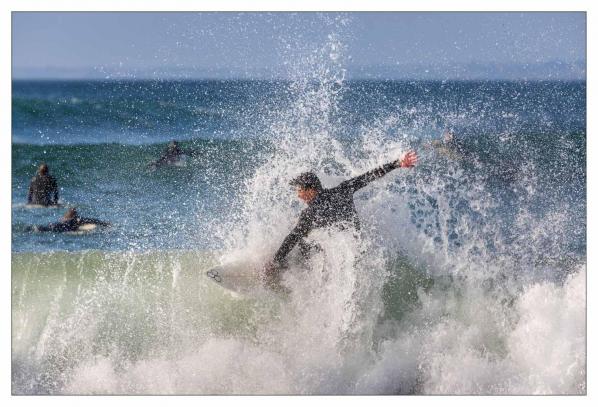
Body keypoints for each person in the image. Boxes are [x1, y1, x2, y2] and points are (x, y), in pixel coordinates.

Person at [263, 150, 418, 288]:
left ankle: (291, 274)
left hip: (337, 253)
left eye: (300, 190)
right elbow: (368, 176)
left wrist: (274, 262)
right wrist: (397, 163)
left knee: (303, 240)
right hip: (355, 246)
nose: (298, 194)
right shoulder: (343, 190)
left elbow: (292, 238)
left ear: (311, 190)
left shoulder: (308, 214)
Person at [31, 207, 110, 233]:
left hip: (52, 226)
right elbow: (92, 220)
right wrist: (104, 224)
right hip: (60, 229)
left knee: (41, 229)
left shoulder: (66, 221)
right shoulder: (77, 220)